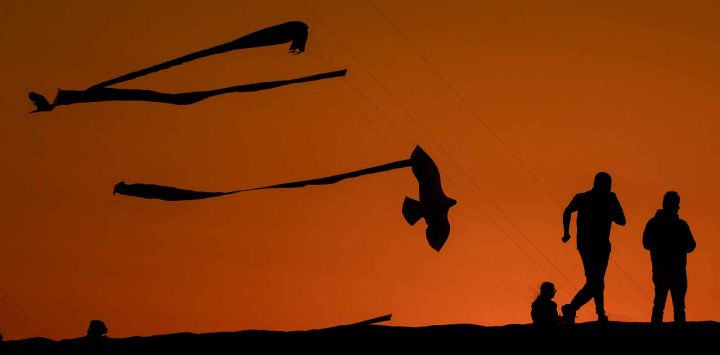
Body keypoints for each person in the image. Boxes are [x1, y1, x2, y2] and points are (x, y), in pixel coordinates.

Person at [561, 172, 626, 324]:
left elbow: (622, 220)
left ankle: (598, 313)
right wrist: (566, 232)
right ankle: (573, 308)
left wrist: (566, 233)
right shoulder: (589, 198)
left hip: (596, 245)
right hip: (591, 245)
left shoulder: (586, 198)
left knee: (596, 280)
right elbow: (621, 220)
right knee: (595, 281)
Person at [642, 191, 696, 323]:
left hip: (663, 270)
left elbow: (646, 243)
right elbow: (691, 246)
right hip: (676, 271)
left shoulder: (653, 223)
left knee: (660, 305)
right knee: (677, 307)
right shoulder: (681, 225)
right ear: (676, 206)